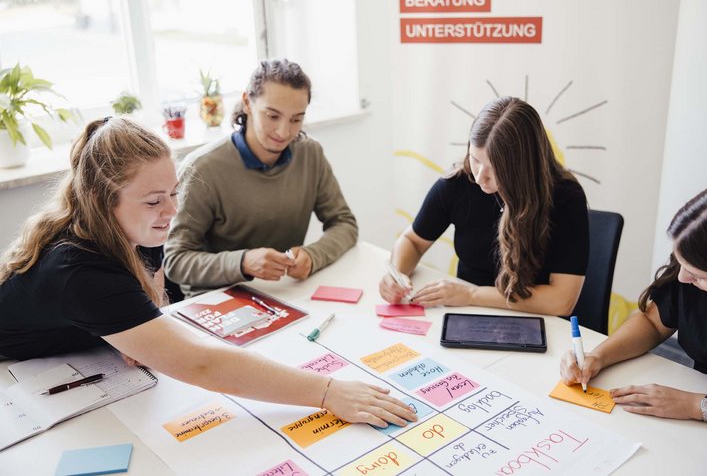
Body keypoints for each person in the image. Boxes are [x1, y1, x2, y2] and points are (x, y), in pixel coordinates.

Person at [0, 118, 415, 428]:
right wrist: (328, 391)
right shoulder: (78, 268)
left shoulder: (139, 226)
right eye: (153, 201)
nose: (172, 211)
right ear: (99, 197)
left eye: (174, 193)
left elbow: (154, 299)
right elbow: (201, 364)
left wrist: (137, 329)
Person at [165, 59, 357, 298]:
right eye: (272, 116)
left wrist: (313, 255)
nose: (284, 132)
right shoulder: (202, 169)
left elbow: (344, 224)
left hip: (284, 292)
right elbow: (175, 261)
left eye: (296, 119)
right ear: (247, 102)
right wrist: (242, 263)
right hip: (217, 299)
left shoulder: (310, 153)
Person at [379, 96, 589, 316]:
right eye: (475, 160)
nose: (480, 177)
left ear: (524, 167)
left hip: (536, 319)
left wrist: (472, 295)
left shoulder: (566, 197)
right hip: (466, 313)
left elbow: (561, 301)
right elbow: (413, 241)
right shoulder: (459, 182)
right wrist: (397, 273)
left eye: (494, 168)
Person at [560, 179, 707, 431]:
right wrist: (599, 356)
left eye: (698, 275)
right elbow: (653, 323)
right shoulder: (689, 271)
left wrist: (696, 406)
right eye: (680, 263)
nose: (682, 279)